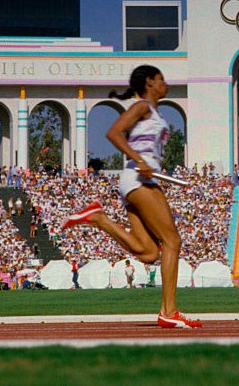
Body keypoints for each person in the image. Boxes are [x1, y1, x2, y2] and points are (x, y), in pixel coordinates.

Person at [62, 65, 201, 328]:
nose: (165, 84)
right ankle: (169, 312)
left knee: (149, 253)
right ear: (149, 82)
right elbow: (113, 132)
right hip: (139, 178)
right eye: (161, 79)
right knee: (172, 240)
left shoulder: (153, 111)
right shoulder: (142, 107)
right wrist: (139, 159)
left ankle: (100, 219)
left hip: (136, 179)